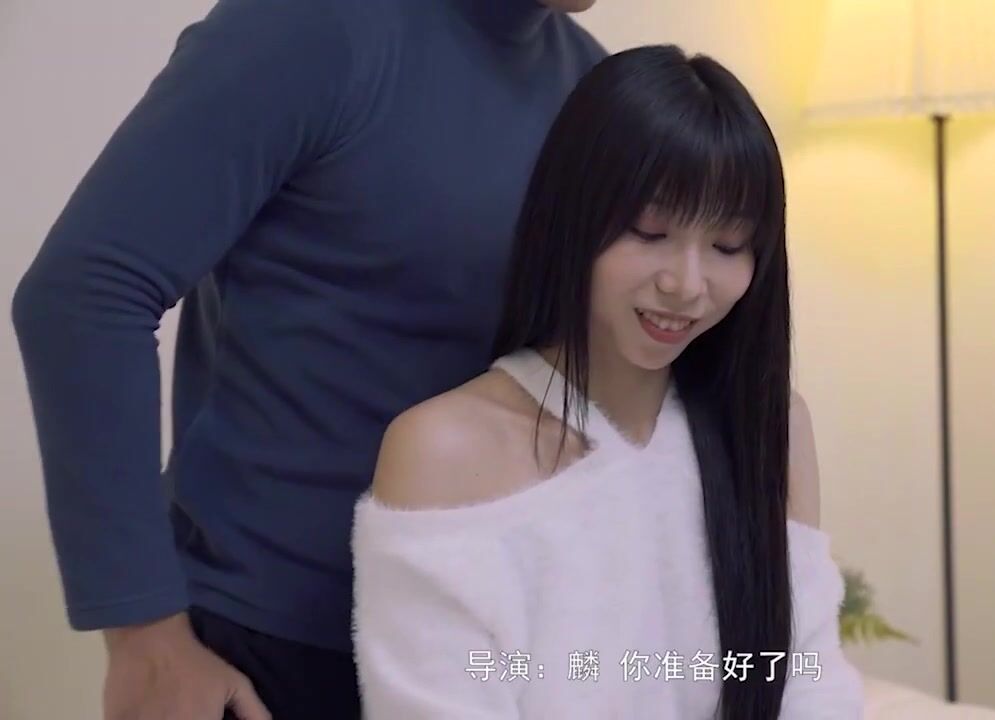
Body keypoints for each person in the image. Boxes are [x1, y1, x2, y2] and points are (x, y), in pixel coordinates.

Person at [10, 0, 604, 718]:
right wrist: (144, 635)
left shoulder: (593, 89)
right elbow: (86, 292)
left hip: (469, 650)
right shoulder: (312, 25)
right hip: (266, 649)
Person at [353, 44, 865, 719]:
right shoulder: (441, 450)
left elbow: (808, 683)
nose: (686, 283)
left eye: (727, 246)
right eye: (650, 232)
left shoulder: (769, 425)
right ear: (572, 217)